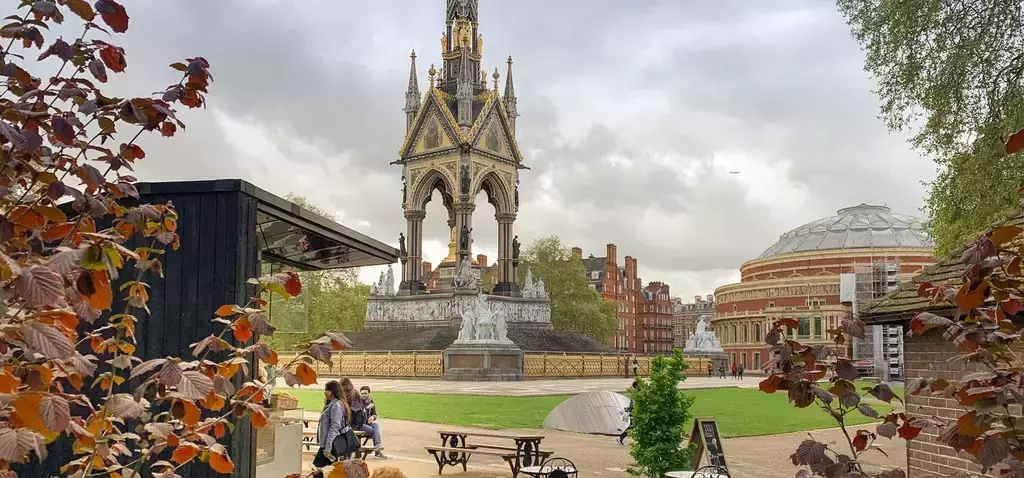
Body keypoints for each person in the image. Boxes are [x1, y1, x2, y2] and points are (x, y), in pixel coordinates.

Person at [313, 381, 350, 474]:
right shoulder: (332, 404)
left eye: (327, 390)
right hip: (327, 444)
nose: (325, 392)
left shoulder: (336, 405)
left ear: (333, 391)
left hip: (331, 444)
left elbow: (334, 427)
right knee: (326, 471)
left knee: (319, 471)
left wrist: (328, 447)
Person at [360, 385, 386, 459]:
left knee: (376, 425)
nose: (363, 395)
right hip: (359, 424)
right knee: (373, 430)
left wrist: (372, 417)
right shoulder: (358, 402)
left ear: (369, 393)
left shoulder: (371, 401)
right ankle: (377, 450)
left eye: (365, 393)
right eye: (362, 393)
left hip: (367, 422)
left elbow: (374, 414)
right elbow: (357, 415)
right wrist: (366, 408)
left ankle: (377, 446)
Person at [617, 380, 639, 445]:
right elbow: (632, 405)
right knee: (632, 426)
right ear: (637, 386)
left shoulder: (637, 393)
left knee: (633, 426)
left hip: (636, 412)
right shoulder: (636, 394)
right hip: (635, 412)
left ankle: (621, 437)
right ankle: (620, 437)